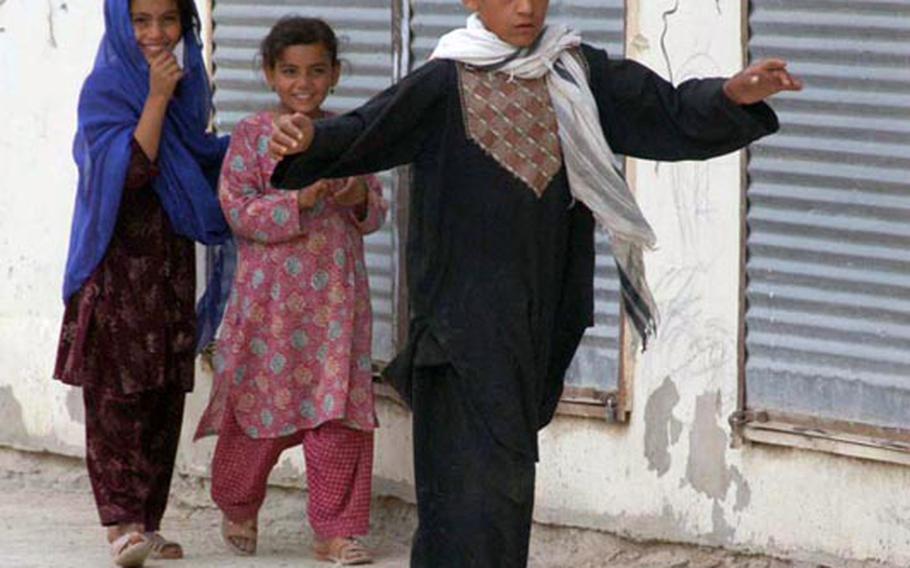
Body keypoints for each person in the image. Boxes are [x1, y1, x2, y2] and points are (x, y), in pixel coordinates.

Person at [268, 0, 802, 565]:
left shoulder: (574, 71)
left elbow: (663, 111)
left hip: (539, 317)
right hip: (459, 324)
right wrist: (309, 145)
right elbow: (364, 130)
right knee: (471, 491)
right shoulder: (444, 81)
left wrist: (730, 96)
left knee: (500, 482)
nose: (525, 8)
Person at [194, 17, 386, 566]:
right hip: (269, 311)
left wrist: (351, 193)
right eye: (291, 71)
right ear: (270, 75)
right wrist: (297, 202)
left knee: (339, 419)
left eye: (317, 71)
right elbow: (237, 210)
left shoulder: (347, 133)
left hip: (335, 312)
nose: (304, 83)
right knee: (257, 412)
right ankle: (238, 502)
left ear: (335, 74)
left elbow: (373, 210)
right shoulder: (253, 136)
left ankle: (336, 530)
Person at [53, 0, 231, 565]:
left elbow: (200, 159)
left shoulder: (191, 86)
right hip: (116, 269)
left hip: (168, 266)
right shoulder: (106, 88)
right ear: (120, 25)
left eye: (169, 19)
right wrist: (155, 98)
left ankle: (148, 522)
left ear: (187, 24)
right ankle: (122, 524)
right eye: (142, 20)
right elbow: (130, 171)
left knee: (160, 395)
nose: (156, 33)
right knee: (116, 398)